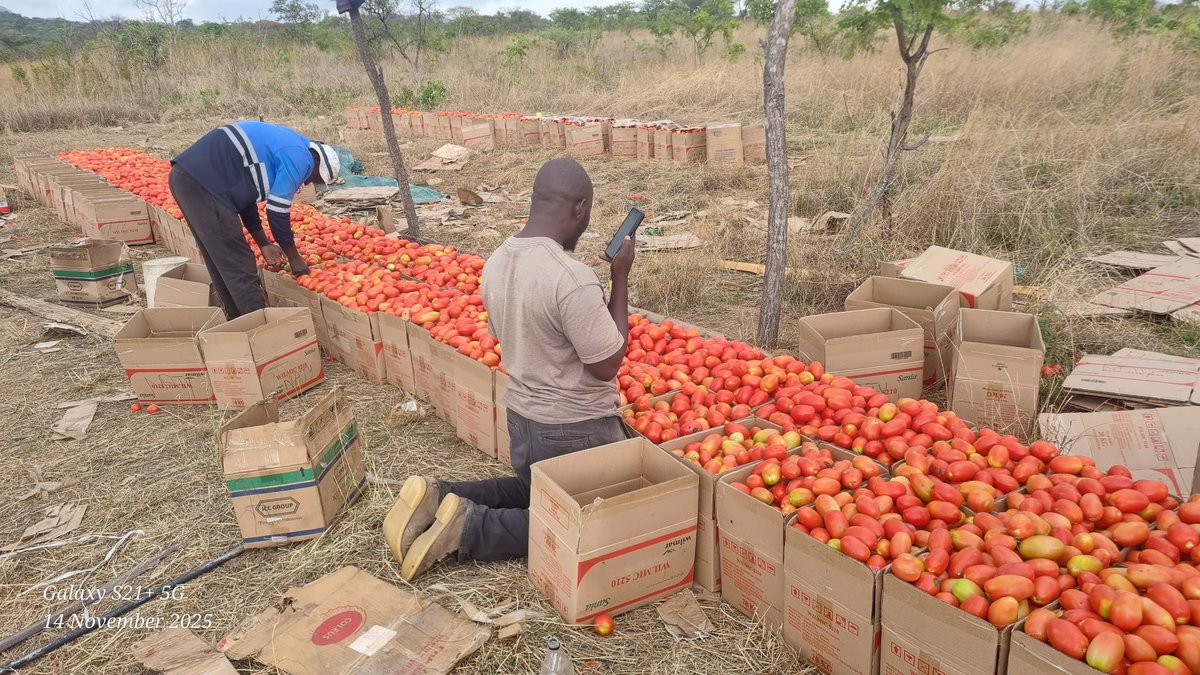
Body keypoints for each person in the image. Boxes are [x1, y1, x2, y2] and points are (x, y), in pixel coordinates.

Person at [384, 157, 636, 581]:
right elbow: (606, 365)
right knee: (598, 521)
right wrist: (621, 277)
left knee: (533, 491)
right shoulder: (571, 277)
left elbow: (504, 335)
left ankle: (440, 498)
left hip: (523, 421)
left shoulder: (498, 260)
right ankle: (469, 528)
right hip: (575, 428)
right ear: (579, 208)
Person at [168, 121, 340, 318]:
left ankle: (238, 321)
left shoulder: (284, 143)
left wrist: (263, 243)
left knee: (222, 262)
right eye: (316, 178)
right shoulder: (301, 156)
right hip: (204, 185)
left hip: (187, 179)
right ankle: (260, 328)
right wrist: (294, 258)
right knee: (240, 265)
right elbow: (277, 211)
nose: (308, 181)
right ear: (316, 160)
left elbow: (244, 198)